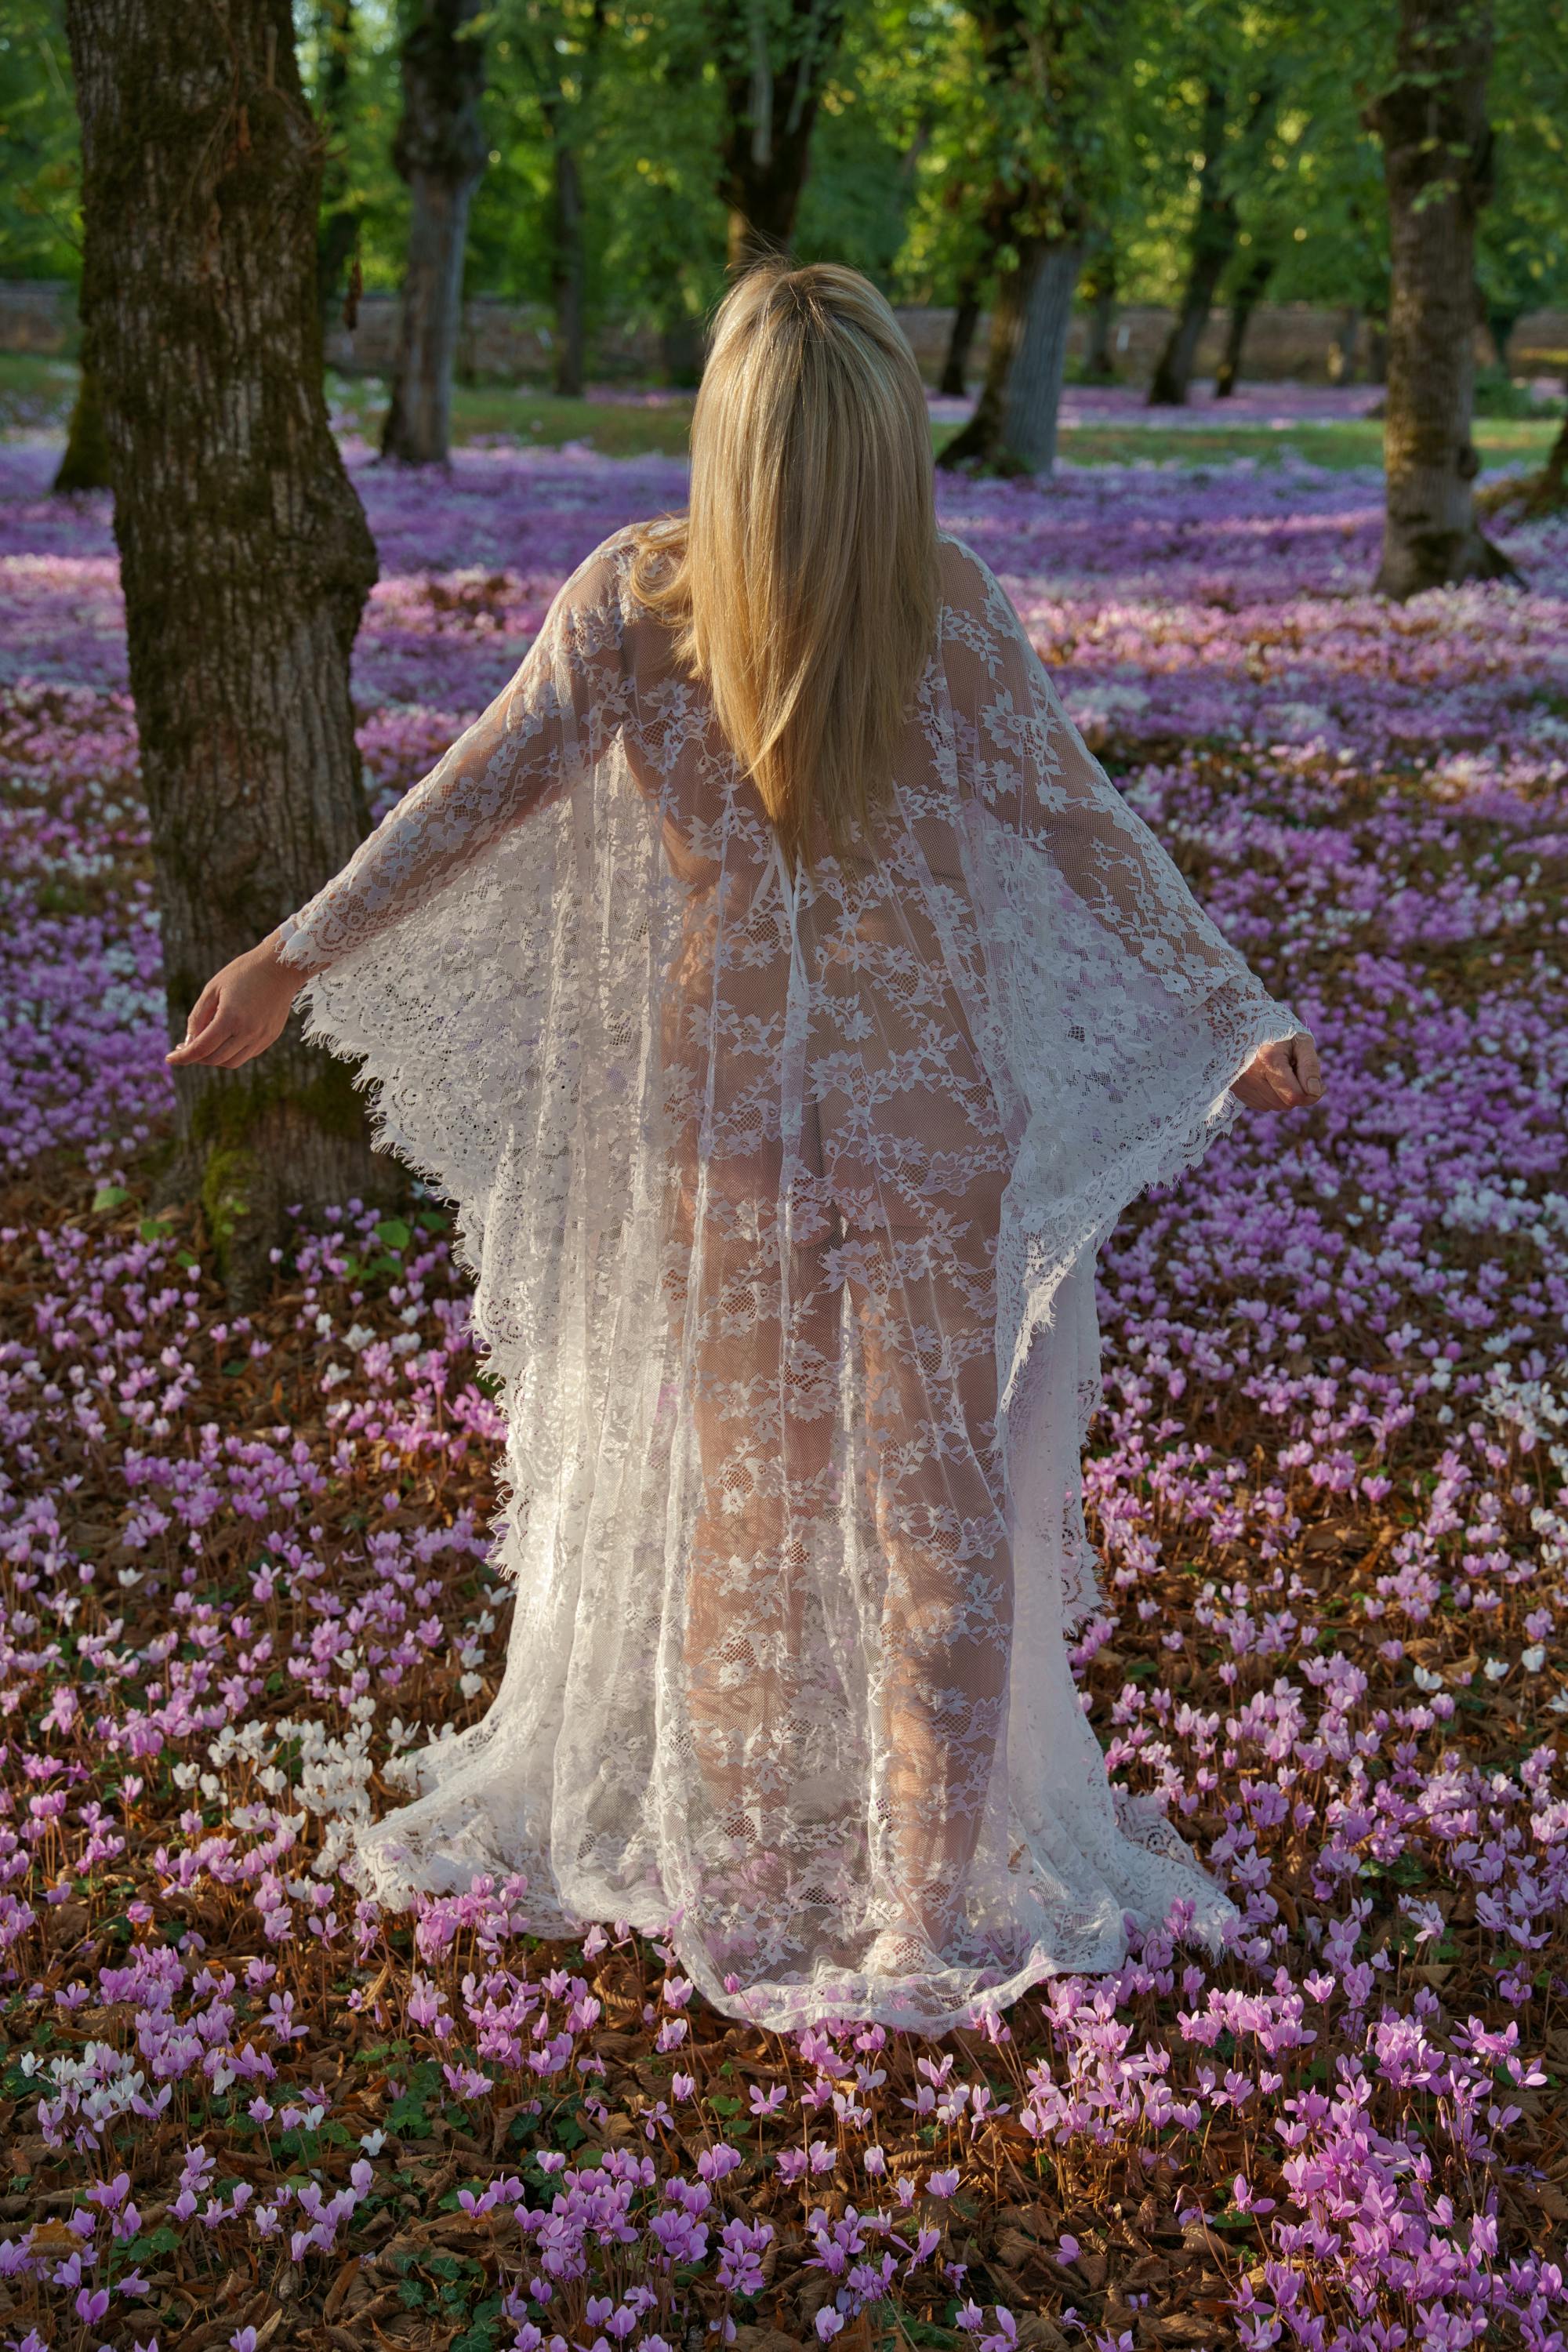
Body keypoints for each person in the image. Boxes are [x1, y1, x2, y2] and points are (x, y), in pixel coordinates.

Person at [168, 260, 1323, 2035]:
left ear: (725, 436)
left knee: (754, 1506)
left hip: (747, 1116)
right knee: (923, 1506)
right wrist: (1229, 1005)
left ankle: (781, 1872)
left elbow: (452, 809)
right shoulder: (920, 600)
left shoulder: (645, 603)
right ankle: (901, 1912)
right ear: (877, 455)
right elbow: (1087, 834)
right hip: (891, 1108)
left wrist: (290, 953)